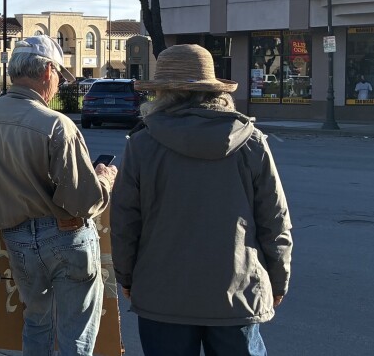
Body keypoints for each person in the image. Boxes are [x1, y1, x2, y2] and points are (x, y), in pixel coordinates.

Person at [111, 45, 293, 356]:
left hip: (161, 294)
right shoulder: (251, 142)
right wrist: (278, 280)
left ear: (162, 93)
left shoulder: (142, 144)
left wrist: (126, 276)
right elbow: (274, 221)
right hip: (236, 294)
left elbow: (125, 222)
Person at [0, 35, 117, 356]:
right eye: (58, 78)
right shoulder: (56, 125)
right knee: (75, 333)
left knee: (36, 321)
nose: (58, 87)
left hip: (17, 237)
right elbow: (85, 202)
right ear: (48, 71)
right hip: (65, 235)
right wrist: (104, 179)